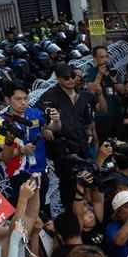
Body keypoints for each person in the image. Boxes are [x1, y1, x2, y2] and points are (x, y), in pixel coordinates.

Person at [39, 62, 100, 210]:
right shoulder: (50, 96)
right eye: (67, 78)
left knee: (90, 183)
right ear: (59, 79)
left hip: (83, 147)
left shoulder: (83, 96)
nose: (71, 80)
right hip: (64, 152)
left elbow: (88, 121)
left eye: (73, 76)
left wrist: (91, 137)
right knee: (69, 189)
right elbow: (39, 118)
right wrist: (46, 130)